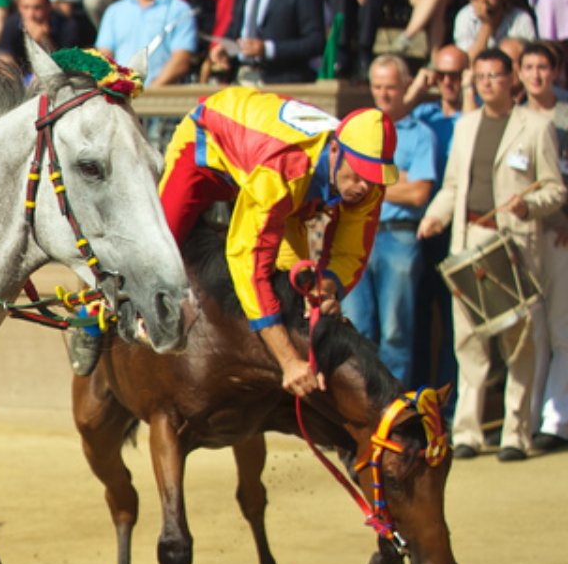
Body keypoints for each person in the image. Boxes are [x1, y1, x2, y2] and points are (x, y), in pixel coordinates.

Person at [71, 86, 398, 393]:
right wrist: (287, 361)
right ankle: (89, 313)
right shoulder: (283, 170)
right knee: (155, 251)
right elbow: (247, 262)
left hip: (275, 176)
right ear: (337, 150)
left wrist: (328, 289)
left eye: (372, 178)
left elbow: (350, 252)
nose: (363, 188)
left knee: (298, 295)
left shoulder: (367, 182)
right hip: (205, 149)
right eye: (356, 174)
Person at [418, 48, 564, 460]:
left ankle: (515, 434)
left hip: (513, 244)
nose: (486, 83)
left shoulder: (536, 127)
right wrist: (435, 218)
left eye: (494, 76)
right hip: (468, 243)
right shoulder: (464, 127)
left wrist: (529, 205)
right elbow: (451, 188)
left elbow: (554, 188)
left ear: (510, 78)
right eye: (479, 76)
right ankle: (466, 431)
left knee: (520, 344)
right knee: (468, 342)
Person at [346, 54, 440, 383]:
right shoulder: (358, 131)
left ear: (405, 88)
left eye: (391, 87)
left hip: (398, 236)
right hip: (357, 235)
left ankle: (393, 411)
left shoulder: (420, 134)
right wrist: (396, 179)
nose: (383, 94)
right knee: (356, 330)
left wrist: (369, 181)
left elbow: (418, 194)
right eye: (377, 87)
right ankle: (363, 410)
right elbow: (344, 182)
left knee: (396, 332)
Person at [517, 41, 568, 451]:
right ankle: (525, 421)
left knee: (561, 329)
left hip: (560, 233)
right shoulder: (511, 118)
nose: (536, 75)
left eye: (543, 67)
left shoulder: (566, 115)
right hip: (520, 237)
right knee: (529, 333)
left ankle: (556, 419)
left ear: (555, 72)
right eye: (529, 67)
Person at [0, 0, 92, 70]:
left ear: (49, 6)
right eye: (25, 7)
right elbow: (3, 56)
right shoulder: (13, 22)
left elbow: (69, 66)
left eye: (37, 8)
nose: (30, 15)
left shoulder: (67, 26)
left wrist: (44, 41)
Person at [453, 0, 536, 62]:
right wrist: (487, 25)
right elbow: (468, 62)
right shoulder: (465, 16)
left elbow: (528, 58)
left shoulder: (521, 19)